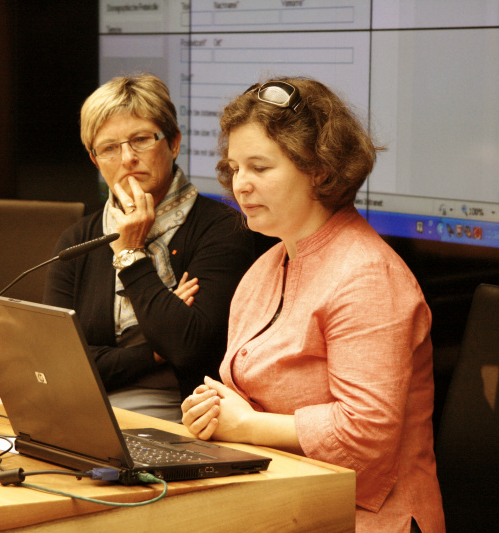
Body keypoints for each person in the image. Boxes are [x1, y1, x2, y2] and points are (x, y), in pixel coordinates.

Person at [181, 77, 445, 532]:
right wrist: (212, 409)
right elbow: (247, 397)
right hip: (285, 500)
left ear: (320, 170)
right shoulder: (264, 267)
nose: (240, 185)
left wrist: (243, 425)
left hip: (367, 517)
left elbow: (363, 435)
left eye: (259, 168)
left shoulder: (367, 277)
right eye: (234, 167)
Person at [44, 74, 254, 422]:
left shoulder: (223, 230)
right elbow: (56, 361)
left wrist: (131, 254)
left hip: (180, 416)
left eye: (140, 140)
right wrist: (153, 352)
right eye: (109, 148)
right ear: (95, 160)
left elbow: (189, 349)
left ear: (173, 143)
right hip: (78, 405)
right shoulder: (78, 240)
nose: (127, 158)